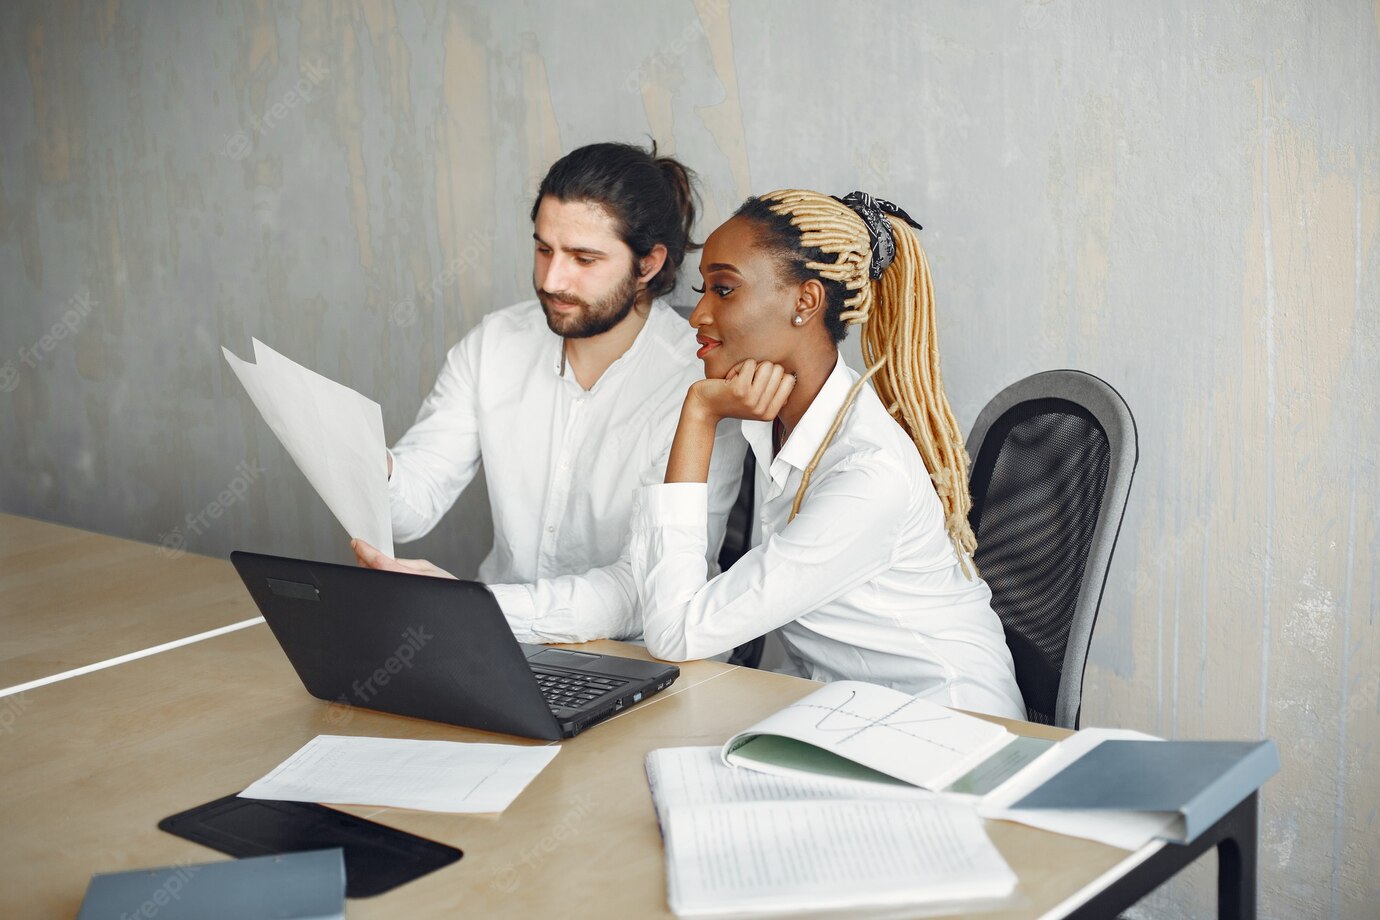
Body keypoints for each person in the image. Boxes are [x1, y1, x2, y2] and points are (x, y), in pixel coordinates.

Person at [629, 189, 1025, 719]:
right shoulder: (778, 424)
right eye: (703, 289)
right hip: (842, 712)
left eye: (724, 289)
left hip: (943, 726)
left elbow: (675, 632)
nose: (698, 313)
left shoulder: (866, 473)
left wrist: (699, 414)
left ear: (806, 302)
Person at [352, 142, 745, 645]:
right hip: (495, 647)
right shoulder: (494, 344)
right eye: (544, 249)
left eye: (583, 258)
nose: (552, 279)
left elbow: (642, 592)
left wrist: (478, 608)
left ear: (647, 265)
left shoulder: (701, 382)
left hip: (642, 664)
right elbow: (408, 509)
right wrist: (360, 455)